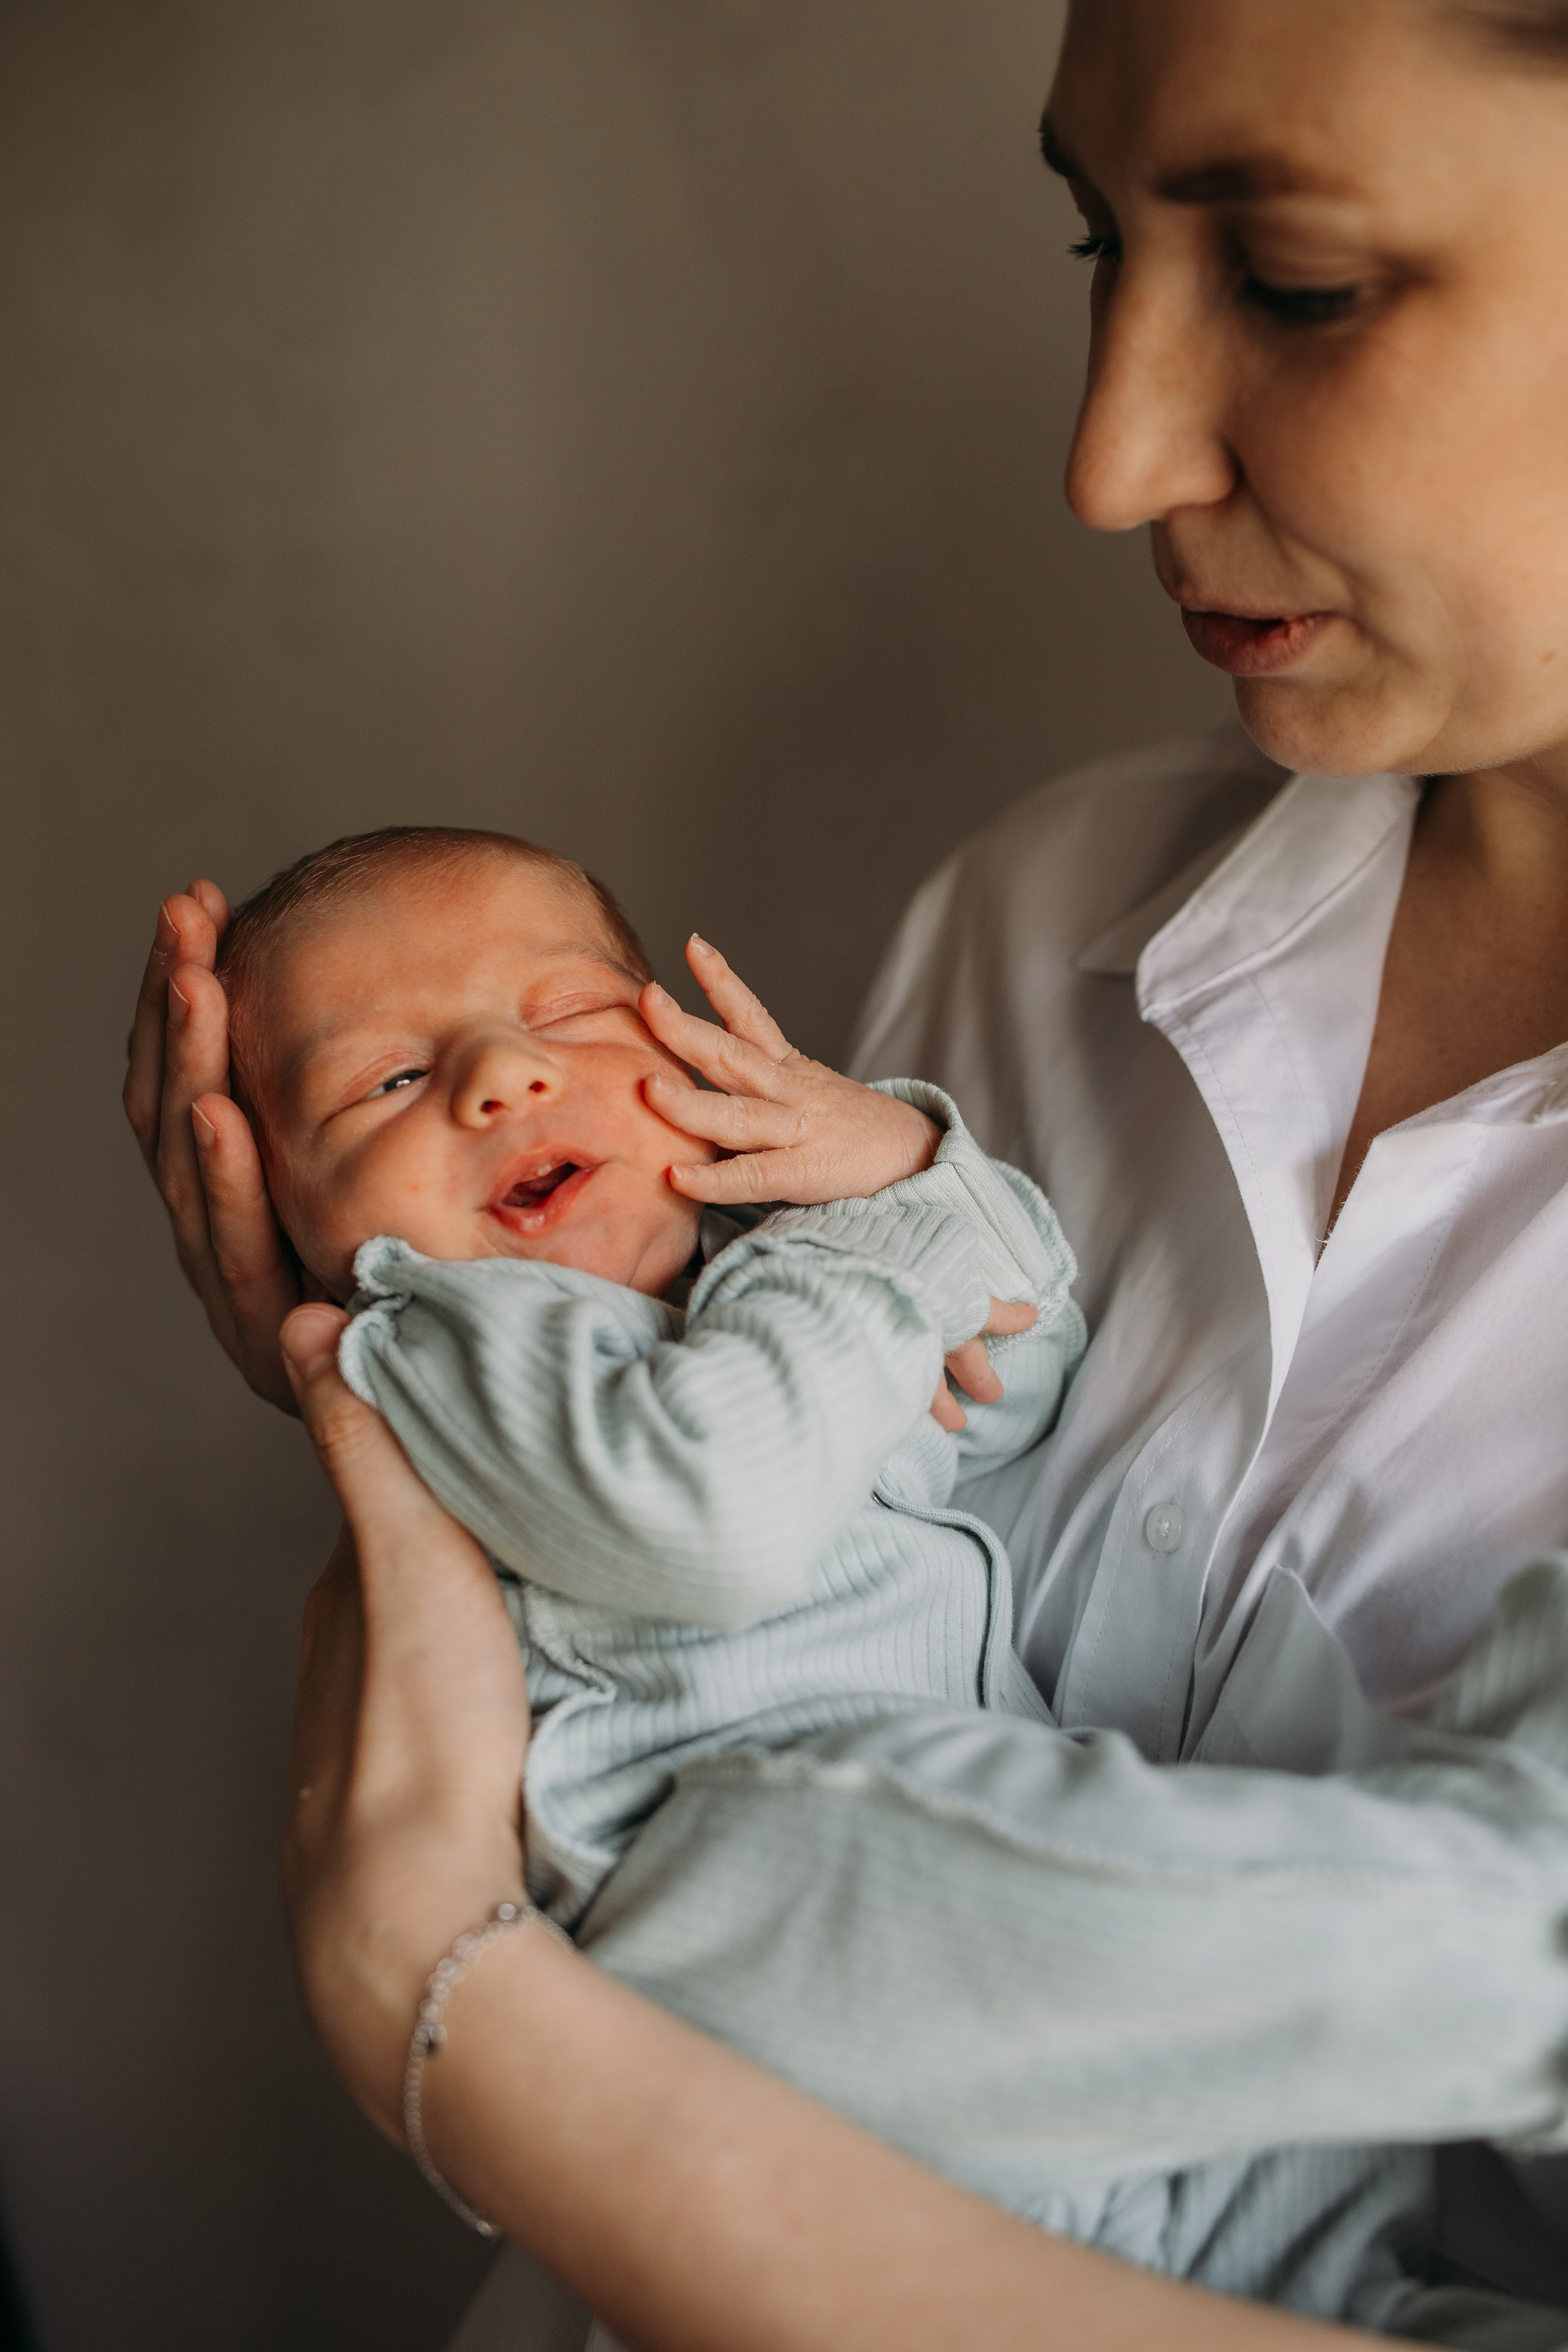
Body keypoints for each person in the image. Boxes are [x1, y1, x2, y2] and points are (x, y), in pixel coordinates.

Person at [121, 0, 1568, 2342]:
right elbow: (912, 1398)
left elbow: (902, 1345)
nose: (1104, 455)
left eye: (1297, 278)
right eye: (1089, 241)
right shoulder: (1042, 920)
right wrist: (412, 1434)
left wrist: (446, 2007)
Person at [206, 819, 1568, 2339]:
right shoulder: (442, 1330)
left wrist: (911, 1170)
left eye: (571, 1015)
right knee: (1112, 1901)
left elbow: (1011, 1378)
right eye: (382, 1082)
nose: (496, 1077)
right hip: (739, 1882)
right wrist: (866, 1249)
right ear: (290, 1221)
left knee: (1323, 2264)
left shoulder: (747, 1284)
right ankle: (1516, 1939)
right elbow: (704, 1510)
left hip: (959, 2042)